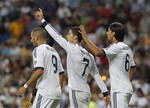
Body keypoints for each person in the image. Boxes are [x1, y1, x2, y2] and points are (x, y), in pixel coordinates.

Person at [35, 8, 111, 108]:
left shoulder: (71, 48)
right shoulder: (90, 55)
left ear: (75, 37)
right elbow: (96, 75)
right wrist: (105, 93)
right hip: (86, 92)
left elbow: (57, 36)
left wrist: (43, 21)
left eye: (69, 33)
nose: (67, 35)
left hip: (76, 90)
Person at [79, 23, 136, 108]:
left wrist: (85, 38)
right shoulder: (127, 48)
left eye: (109, 30)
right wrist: (127, 83)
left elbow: (97, 53)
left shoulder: (116, 47)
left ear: (113, 33)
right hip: (124, 89)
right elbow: (133, 69)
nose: (106, 33)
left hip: (119, 90)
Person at [17, 27, 65, 108]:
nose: (31, 40)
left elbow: (39, 71)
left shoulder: (38, 50)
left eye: (31, 38)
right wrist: (34, 95)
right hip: (56, 94)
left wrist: (25, 87)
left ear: (36, 38)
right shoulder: (54, 51)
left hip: (45, 92)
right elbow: (62, 74)